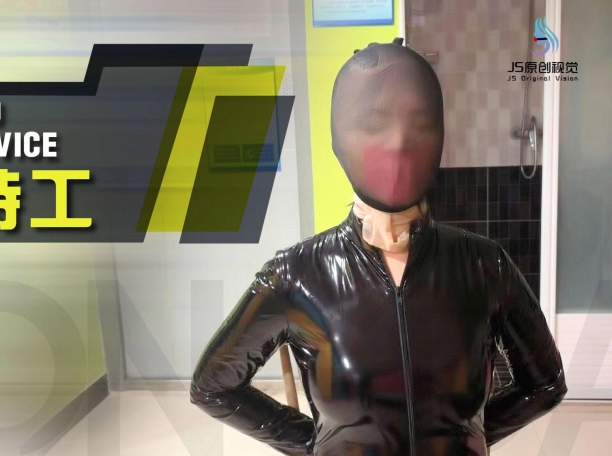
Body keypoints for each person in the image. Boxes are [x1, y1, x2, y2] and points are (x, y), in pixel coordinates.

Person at [189, 38, 566, 456]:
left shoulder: (483, 266)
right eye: (374, 124)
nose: (399, 142)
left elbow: (545, 383)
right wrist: (317, 443)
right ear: (340, 139)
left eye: (420, 123)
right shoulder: (297, 276)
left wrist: (467, 436)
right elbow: (213, 387)